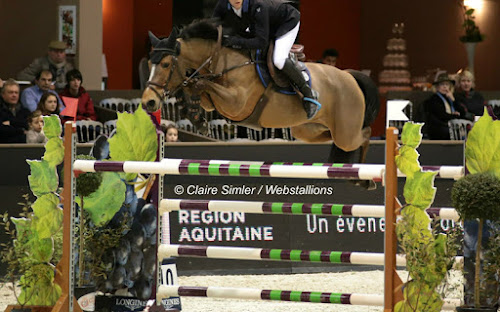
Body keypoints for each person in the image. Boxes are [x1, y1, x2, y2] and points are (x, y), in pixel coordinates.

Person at [213, 0, 321, 119]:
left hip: (286, 22)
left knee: (278, 60)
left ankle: (309, 94)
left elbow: (261, 42)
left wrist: (233, 41)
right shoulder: (222, 6)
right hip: (262, 27)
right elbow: (212, 28)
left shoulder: (258, 6)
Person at [424, 73, 472, 140]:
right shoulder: (434, 99)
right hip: (439, 130)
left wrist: (453, 100)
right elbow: (442, 116)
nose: (445, 87)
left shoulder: (450, 98)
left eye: (447, 84)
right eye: (442, 84)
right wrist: (455, 115)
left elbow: (462, 113)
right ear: (437, 87)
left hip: (451, 128)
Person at [0, 79, 30, 143]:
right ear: (3, 94)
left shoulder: (25, 111)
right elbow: (2, 130)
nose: (14, 95)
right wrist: (21, 130)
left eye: (16, 92)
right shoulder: (1, 112)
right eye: (11, 92)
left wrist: (11, 123)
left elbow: (29, 126)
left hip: (25, 148)